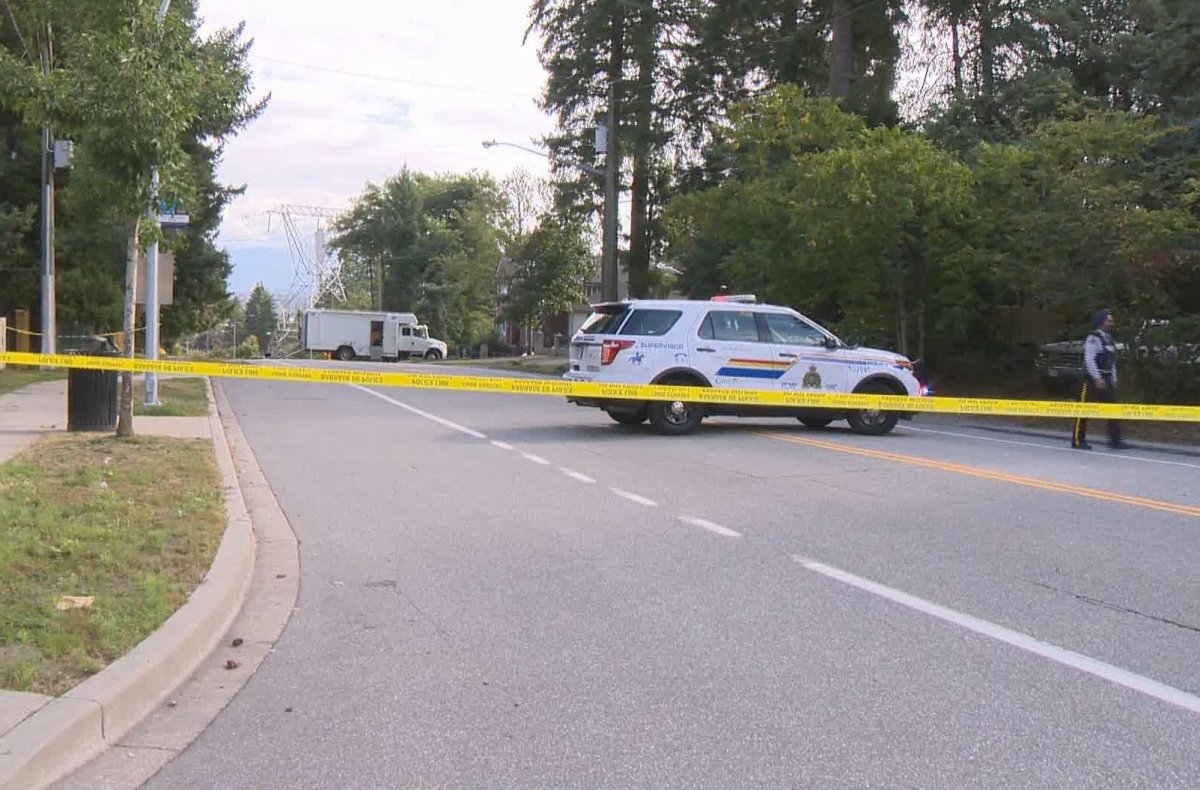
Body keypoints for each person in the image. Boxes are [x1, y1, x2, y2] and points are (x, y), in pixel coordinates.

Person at [1072, 308, 1129, 450]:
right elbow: (1089, 360)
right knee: (1083, 410)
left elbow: (1112, 360)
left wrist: (1113, 378)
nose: (1112, 322)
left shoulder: (1108, 339)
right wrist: (1097, 378)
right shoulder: (1093, 339)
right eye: (1109, 320)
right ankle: (1078, 440)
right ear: (1101, 322)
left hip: (1107, 377)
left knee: (1113, 409)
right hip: (1090, 379)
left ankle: (1115, 440)